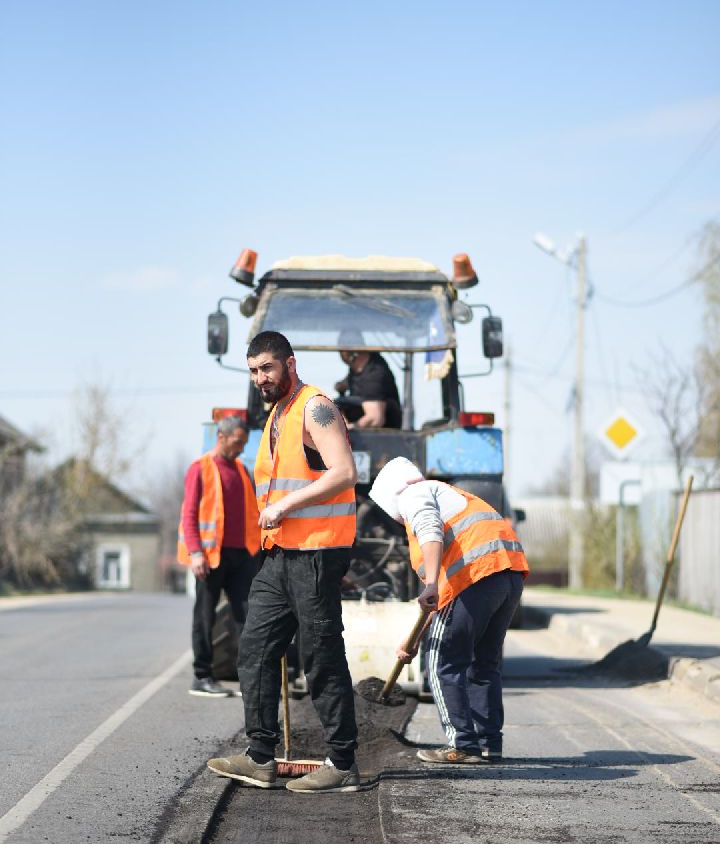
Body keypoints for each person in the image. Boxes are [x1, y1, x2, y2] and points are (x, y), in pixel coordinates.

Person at [207, 331, 360, 792]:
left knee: (320, 658)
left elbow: (345, 472)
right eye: (253, 370)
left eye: (267, 368)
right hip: (278, 555)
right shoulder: (277, 414)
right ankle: (260, 757)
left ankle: (343, 764)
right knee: (252, 651)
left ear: (290, 364)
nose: (260, 378)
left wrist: (286, 506)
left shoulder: (316, 407)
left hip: (315, 553)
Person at [368, 457, 529, 763]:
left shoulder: (414, 495)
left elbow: (430, 535)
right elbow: (439, 596)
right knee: (484, 663)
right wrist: (413, 640)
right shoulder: (450, 495)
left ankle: (463, 745)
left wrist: (429, 583)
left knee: (443, 661)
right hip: (505, 577)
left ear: (390, 495)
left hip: (474, 580)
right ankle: (488, 743)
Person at [178, 415, 260, 697]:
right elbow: (189, 513)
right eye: (237, 443)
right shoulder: (199, 468)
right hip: (211, 557)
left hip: (242, 555)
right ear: (221, 437)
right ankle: (202, 676)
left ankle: (251, 676)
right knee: (205, 616)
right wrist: (195, 552)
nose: (241, 449)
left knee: (247, 617)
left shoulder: (240, 469)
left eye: (244, 444)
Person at [334, 331, 402, 429]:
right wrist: (341, 385)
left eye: (342, 350)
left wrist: (348, 430)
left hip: (379, 439)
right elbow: (351, 382)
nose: (341, 353)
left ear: (352, 352)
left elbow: (375, 419)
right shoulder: (358, 368)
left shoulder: (374, 374)